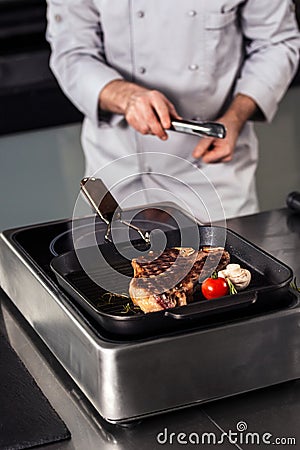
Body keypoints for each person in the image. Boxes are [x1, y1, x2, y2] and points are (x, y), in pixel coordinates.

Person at [46, 1, 300, 223]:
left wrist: (235, 117)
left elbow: (276, 44)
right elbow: (72, 52)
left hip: (211, 175)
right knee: (107, 272)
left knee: (221, 273)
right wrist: (125, 97)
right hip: (116, 170)